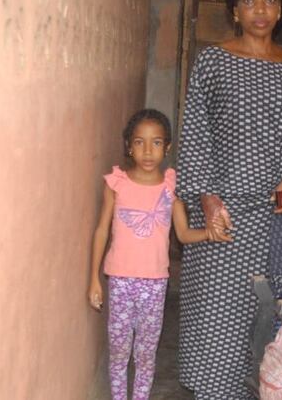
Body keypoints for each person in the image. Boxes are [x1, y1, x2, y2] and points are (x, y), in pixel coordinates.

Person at [176, 0, 282, 399]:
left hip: (278, 220)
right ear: (235, 12)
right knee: (215, 320)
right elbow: (196, 136)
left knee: (270, 321)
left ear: (280, 11)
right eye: (249, 0)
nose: (260, 9)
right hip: (224, 217)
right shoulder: (213, 63)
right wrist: (206, 199)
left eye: (270, 0)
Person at [87, 108, 214, 400]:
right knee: (119, 351)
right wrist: (94, 278)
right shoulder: (116, 185)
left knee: (146, 353)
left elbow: (182, 234)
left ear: (167, 147)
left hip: (155, 284)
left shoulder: (172, 187)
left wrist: (208, 233)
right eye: (140, 142)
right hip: (120, 280)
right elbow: (101, 232)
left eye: (156, 142)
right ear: (128, 147)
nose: (147, 150)